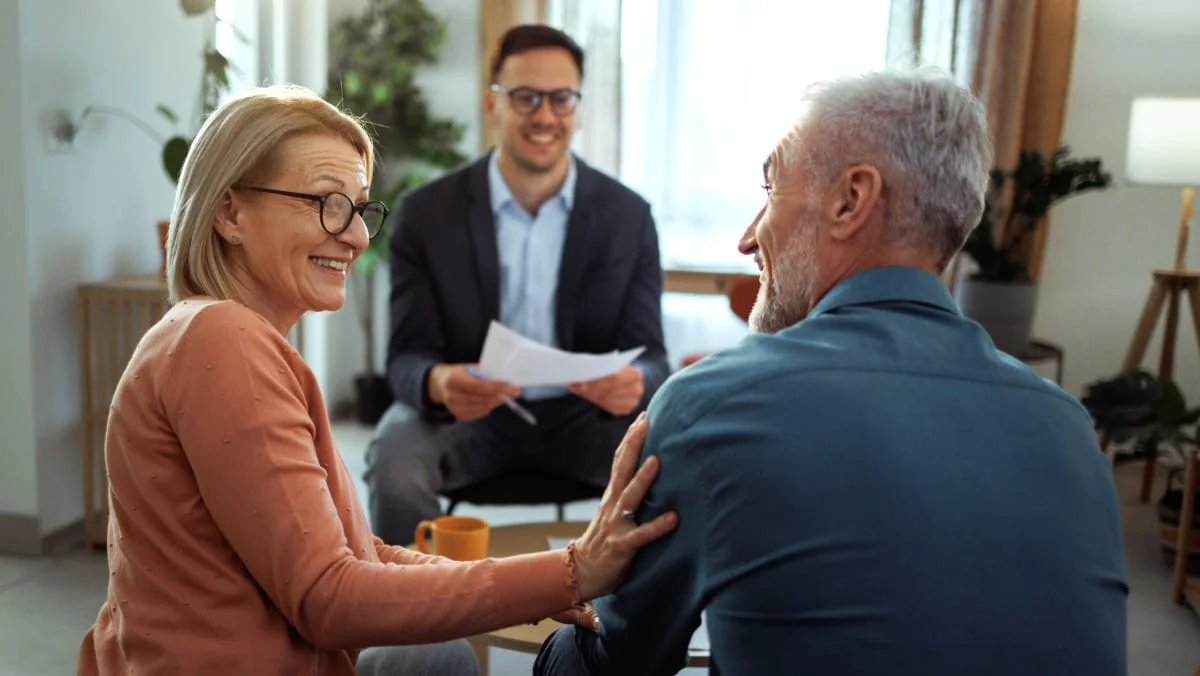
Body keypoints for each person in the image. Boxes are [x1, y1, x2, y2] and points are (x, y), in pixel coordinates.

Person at [533, 68, 1129, 675]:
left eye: (769, 189)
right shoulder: (1070, 427)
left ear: (850, 200)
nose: (746, 239)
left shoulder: (713, 406)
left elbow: (609, 665)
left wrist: (568, 598)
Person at [75, 83, 677, 676]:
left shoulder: (221, 335)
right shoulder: (222, 341)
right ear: (230, 212)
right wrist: (571, 570)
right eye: (327, 203)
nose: (359, 236)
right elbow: (330, 596)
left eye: (361, 209)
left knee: (449, 654)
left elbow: (360, 556)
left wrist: (551, 587)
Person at [364, 24, 670, 545]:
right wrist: (440, 382)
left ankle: (633, 626)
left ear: (577, 105)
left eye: (562, 99)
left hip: (587, 420)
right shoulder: (426, 215)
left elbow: (653, 357)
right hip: (469, 417)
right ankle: (414, 624)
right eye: (526, 98)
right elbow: (406, 359)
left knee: (679, 454)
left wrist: (634, 380)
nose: (546, 116)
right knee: (395, 460)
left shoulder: (628, 216)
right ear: (493, 105)